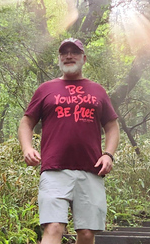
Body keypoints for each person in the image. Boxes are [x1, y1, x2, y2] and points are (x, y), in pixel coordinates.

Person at [18, 38, 120, 244]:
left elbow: (112, 126)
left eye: (74, 52)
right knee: (54, 227)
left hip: (91, 169)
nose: (69, 56)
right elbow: (26, 122)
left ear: (84, 58)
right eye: (64, 52)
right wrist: (27, 148)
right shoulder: (45, 89)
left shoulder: (98, 90)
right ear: (59, 58)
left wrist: (108, 155)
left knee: (87, 232)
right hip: (54, 169)